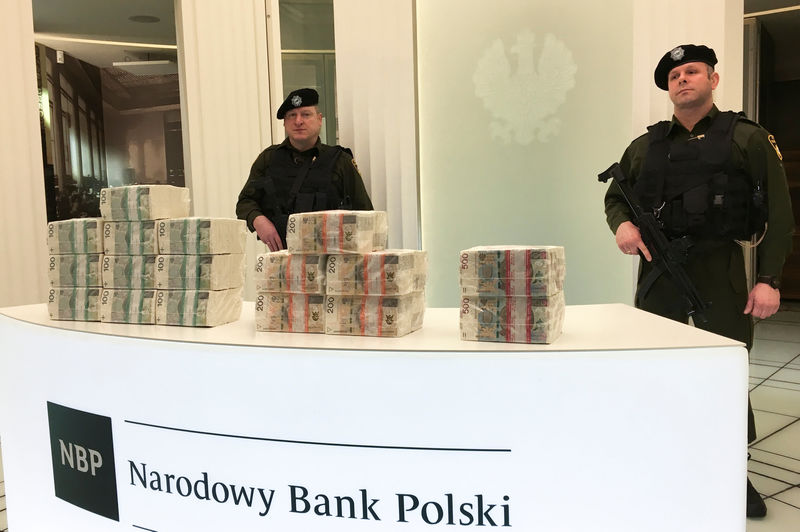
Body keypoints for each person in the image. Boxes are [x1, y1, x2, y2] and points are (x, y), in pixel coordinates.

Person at [603, 44, 794, 519]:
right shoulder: (645, 146)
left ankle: (734, 467)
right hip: (658, 274)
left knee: (725, 367)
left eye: (693, 71)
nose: (683, 79)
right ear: (667, 89)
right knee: (658, 367)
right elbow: (615, 197)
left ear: (713, 79)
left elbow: (780, 213)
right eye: (674, 76)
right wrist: (622, 226)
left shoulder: (747, 139)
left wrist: (768, 279)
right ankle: (663, 458)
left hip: (718, 269)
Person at [236, 88, 373, 251]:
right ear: (285, 123)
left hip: (333, 261)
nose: (298, 121)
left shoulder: (340, 161)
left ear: (319, 119)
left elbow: (366, 216)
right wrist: (258, 220)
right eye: (292, 115)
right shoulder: (269, 159)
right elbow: (245, 202)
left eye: (306, 114)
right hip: (283, 261)